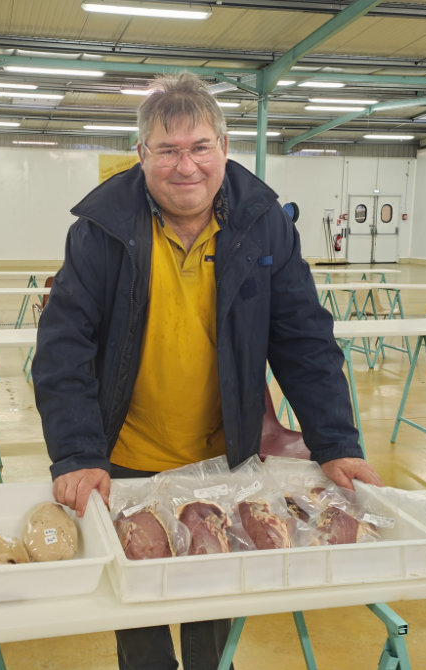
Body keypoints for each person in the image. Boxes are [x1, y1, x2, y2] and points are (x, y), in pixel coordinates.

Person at [32, 72, 382, 670]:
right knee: (137, 604)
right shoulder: (100, 232)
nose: (185, 166)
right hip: (124, 456)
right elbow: (63, 348)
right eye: (167, 150)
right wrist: (76, 454)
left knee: (212, 597)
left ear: (224, 147)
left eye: (199, 148)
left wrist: (337, 442)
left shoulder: (264, 224)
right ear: (142, 155)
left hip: (223, 457)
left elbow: (303, 339)